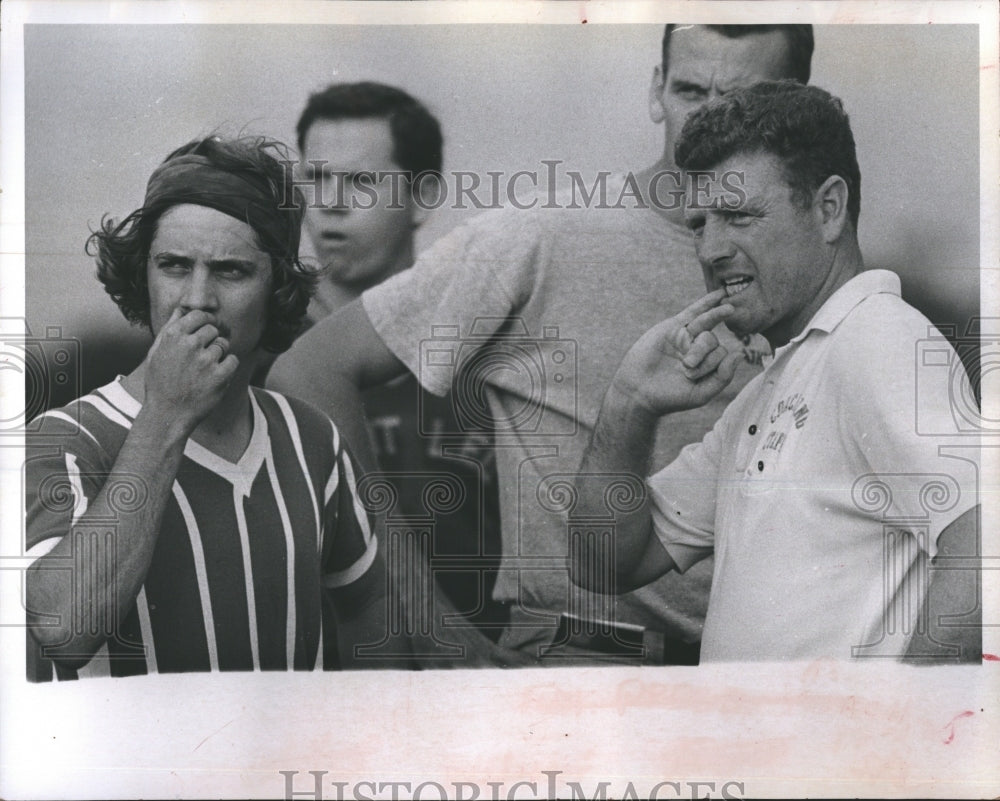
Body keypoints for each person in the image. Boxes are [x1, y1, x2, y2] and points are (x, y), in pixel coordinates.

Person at [269, 26, 815, 665]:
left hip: (763, 668)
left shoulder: (814, 263)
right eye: (689, 88)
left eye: (742, 98)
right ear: (656, 90)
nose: (709, 117)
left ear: (796, 104)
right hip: (583, 661)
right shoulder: (540, 237)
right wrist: (425, 617)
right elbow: (309, 369)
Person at [571, 81, 981, 661]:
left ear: (828, 208)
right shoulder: (776, 383)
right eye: (699, 224)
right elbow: (603, 563)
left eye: (738, 216)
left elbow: (986, 545)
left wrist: (906, 725)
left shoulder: (877, 336)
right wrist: (629, 402)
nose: (710, 249)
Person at [24, 135, 389, 680]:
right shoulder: (64, 438)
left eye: (230, 271)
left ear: (277, 288)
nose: (197, 298)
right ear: (142, 274)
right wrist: (167, 414)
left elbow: (370, 619)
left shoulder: (311, 438)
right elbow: (62, 628)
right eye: (173, 266)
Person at [278, 82, 510, 666]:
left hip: (473, 681)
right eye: (316, 178)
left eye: (360, 182)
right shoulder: (259, 357)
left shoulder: (489, 354)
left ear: (423, 195)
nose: (330, 202)